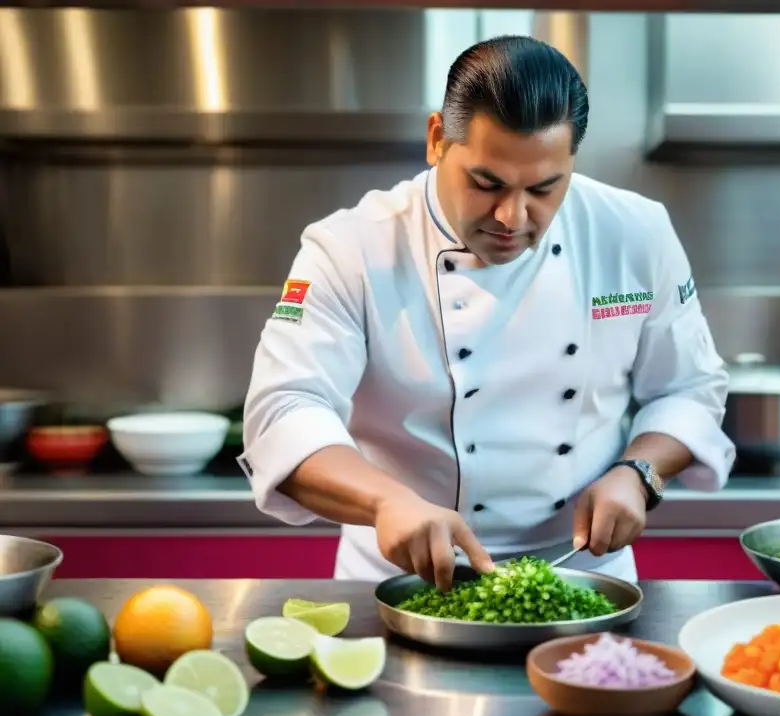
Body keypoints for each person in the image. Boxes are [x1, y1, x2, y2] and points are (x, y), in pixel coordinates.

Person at [238, 35, 736, 590]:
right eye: (485, 183)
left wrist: (638, 472)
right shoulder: (350, 247)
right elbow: (283, 409)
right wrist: (385, 503)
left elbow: (690, 388)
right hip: (401, 579)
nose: (512, 216)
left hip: (583, 577)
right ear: (435, 141)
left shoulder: (634, 232)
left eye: (545, 188)